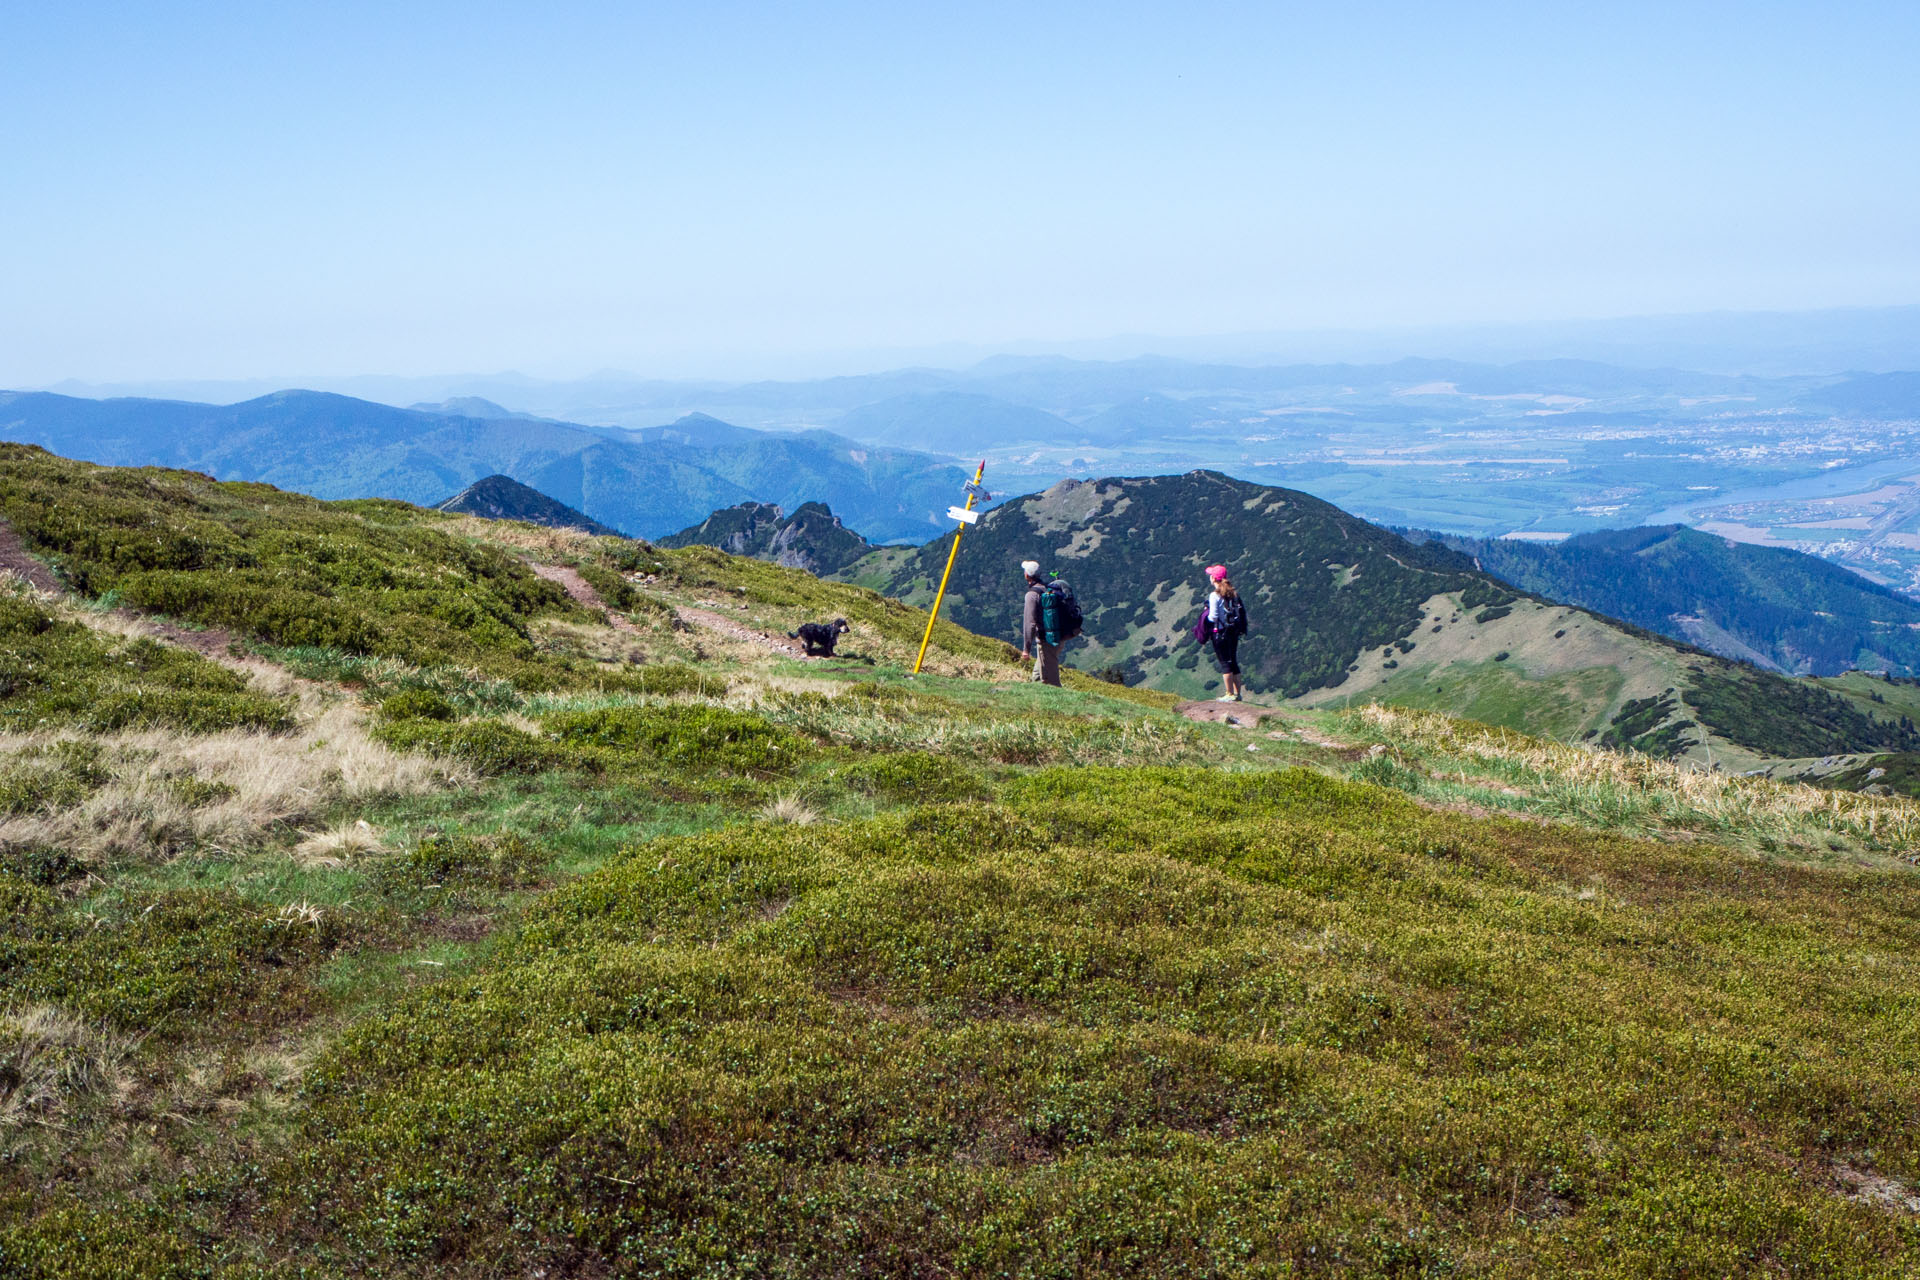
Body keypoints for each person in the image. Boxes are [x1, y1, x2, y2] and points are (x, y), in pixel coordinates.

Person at [1204, 563, 1249, 702]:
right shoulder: (1233, 594)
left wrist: (1205, 613)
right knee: (1233, 661)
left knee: (1225, 663)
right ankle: (1237, 694)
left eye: (1211, 575)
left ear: (1214, 579)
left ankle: (1229, 694)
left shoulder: (1214, 595)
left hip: (1220, 632)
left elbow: (1213, 617)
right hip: (1233, 632)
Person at [1019, 559, 1062, 686]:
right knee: (1038, 676)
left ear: (1027, 575)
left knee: (1051, 681)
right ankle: (1034, 692)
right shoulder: (1048, 588)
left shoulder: (1032, 595)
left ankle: (1058, 701)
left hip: (1046, 641)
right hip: (1059, 636)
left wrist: (1026, 650)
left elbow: (1029, 624)